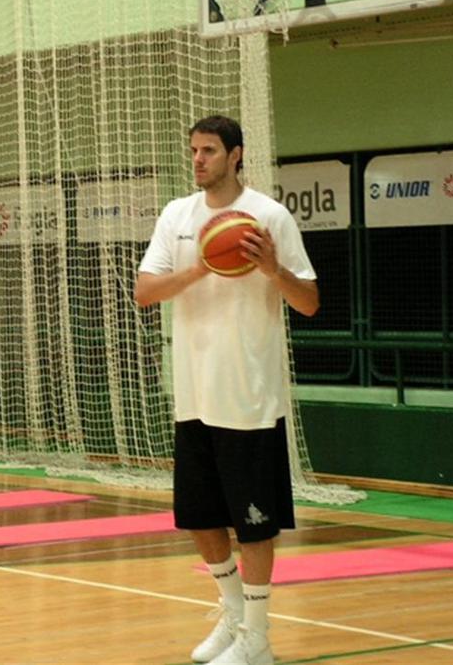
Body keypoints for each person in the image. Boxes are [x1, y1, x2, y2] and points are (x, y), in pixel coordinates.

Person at [134, 115, 319, 665]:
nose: (198, 159)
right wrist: (198, 270)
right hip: (194, 394)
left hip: (249, 399)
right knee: (199, 518)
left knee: (253, 525)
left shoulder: (269, 216)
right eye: (193, 150)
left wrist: (273, 269)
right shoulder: (177, 215)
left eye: (209, 150)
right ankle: (235, 618)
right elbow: (145, 291)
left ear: (235, 155)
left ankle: (257, 639)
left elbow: (309, 302)